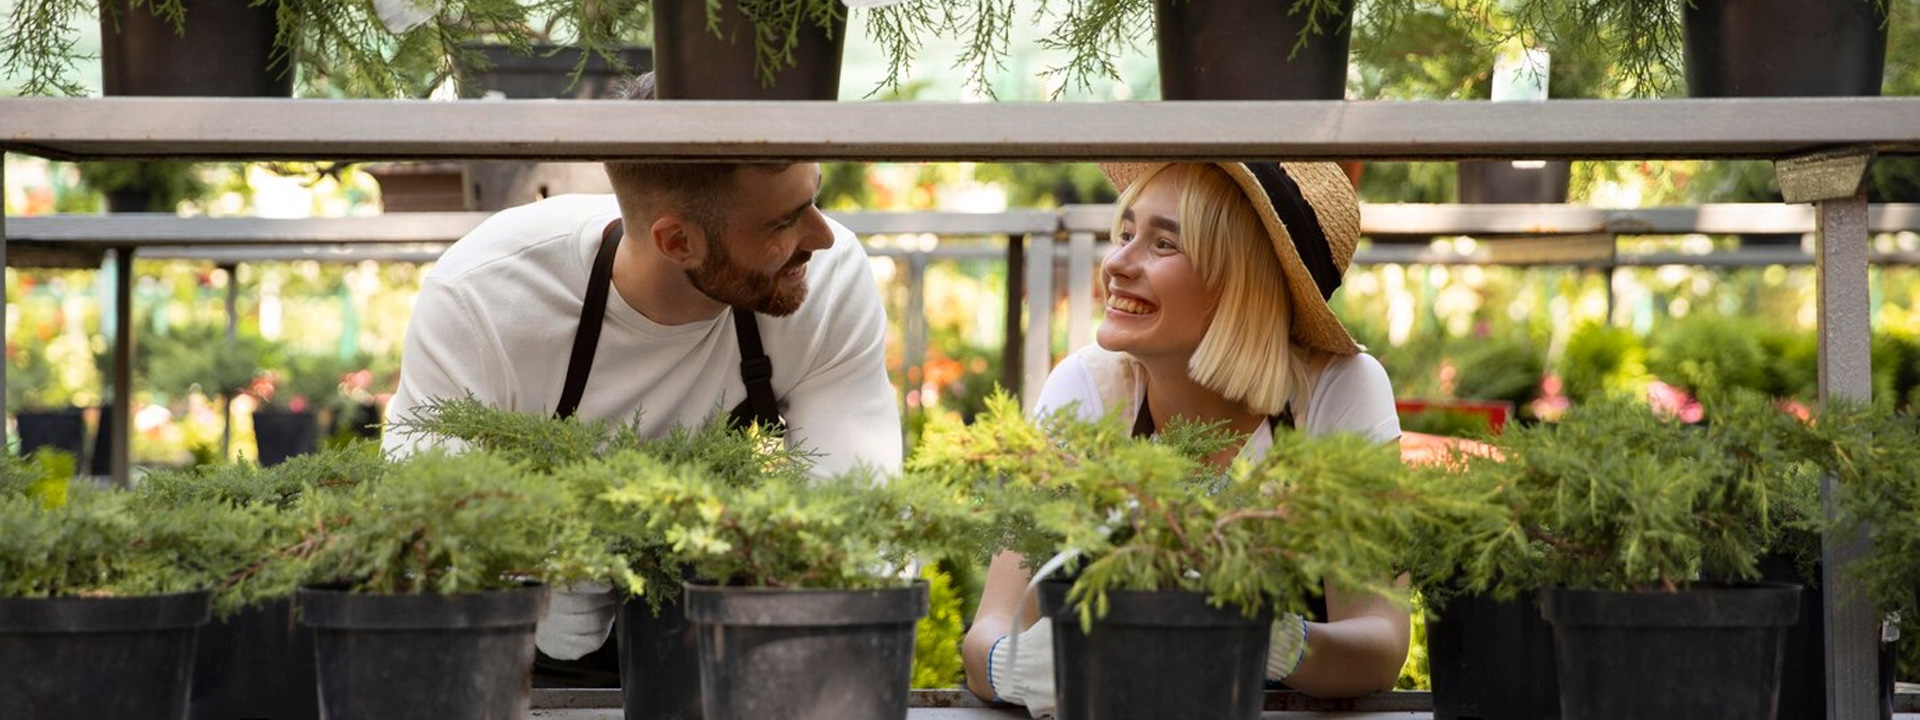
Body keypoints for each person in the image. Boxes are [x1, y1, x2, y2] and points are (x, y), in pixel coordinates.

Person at [383, 72, 902, 679]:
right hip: (508, 661)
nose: (823, 236)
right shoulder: (487, 299)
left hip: (727, 644)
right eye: (782, 223)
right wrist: (528, 589)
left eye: (814, 197)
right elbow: (417, 539)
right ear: (677, 241)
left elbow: (854, 528)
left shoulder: (826, 282)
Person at [961, 161, 1408, 715]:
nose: (1117, 264)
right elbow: (988, 632)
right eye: (1126, 234)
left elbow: (1381, 644)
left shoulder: (1334, 391)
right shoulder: (1088, 388)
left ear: (1239, 283)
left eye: (1164, 243)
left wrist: (1268, 638)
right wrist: (1014, 667)